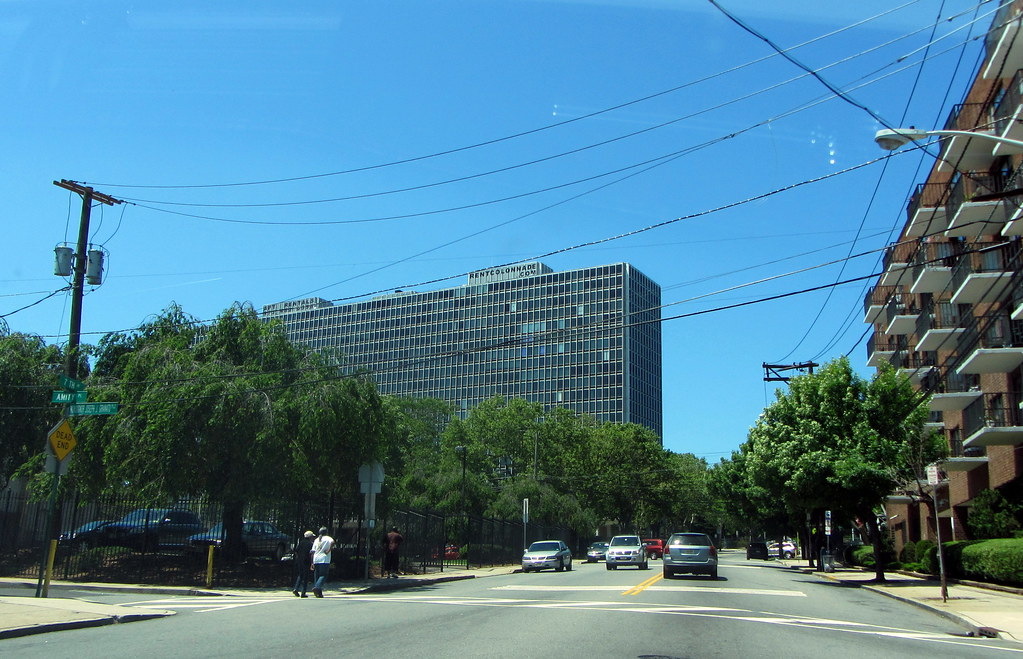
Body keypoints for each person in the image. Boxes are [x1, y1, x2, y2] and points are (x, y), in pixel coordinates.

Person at [311, 526, 334, 597]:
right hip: (324, 559)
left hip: (316, 558)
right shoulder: (328, 538)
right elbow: (333, 542)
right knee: (323, 575)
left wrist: (312, 562)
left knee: (317, 576)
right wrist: (329, 550)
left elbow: (312, 551)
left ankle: (319, 593)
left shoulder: (316, 540)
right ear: (326, 532)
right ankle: (317, 587)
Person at [292, 530, 315, 597]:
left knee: (300, 575)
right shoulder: (310, 544)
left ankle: (296, 588)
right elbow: (311, 554)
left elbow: (296, 551)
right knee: (306, 577)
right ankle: (303, 592)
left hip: (300, 561)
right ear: (310, 537)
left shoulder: (301, 542)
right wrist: (312, 563)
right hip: (306, 561)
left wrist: (298, 557)